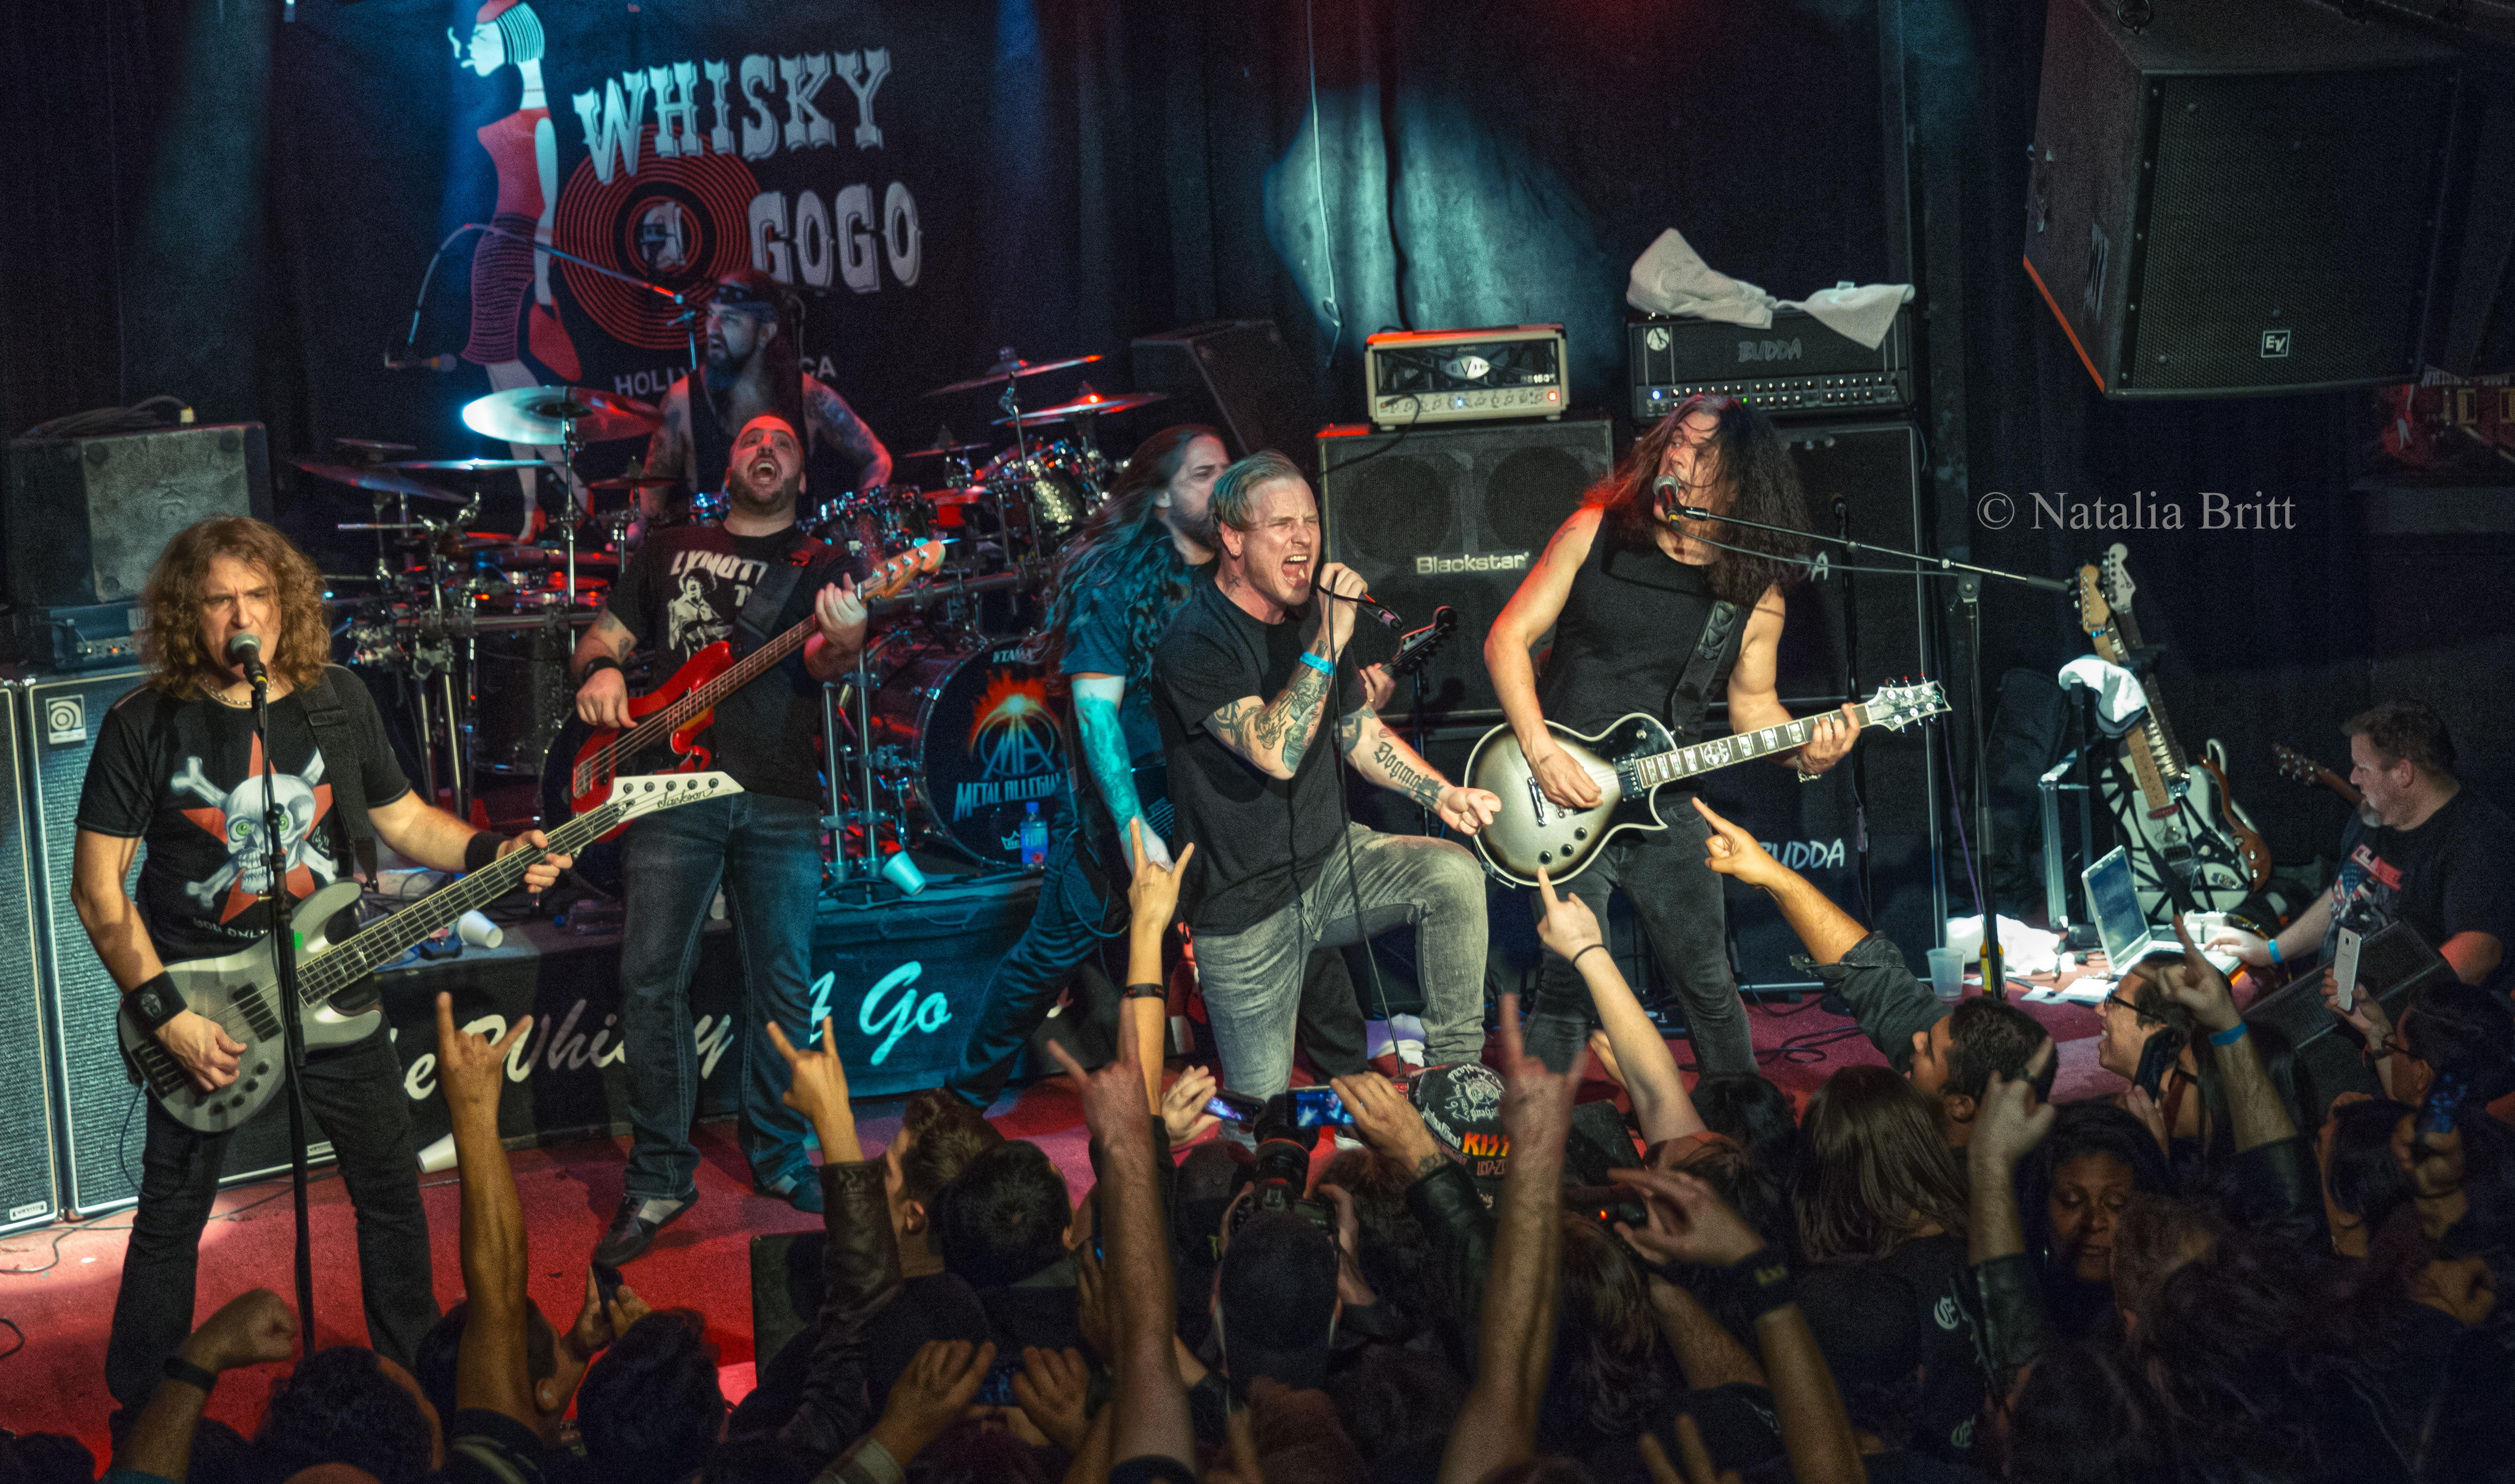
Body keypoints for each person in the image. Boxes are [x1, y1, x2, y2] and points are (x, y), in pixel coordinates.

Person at [71, 517, 571, 1419]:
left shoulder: (336, 699)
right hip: (206, 1005)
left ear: (286, 602)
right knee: (173, 1212)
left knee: (390, 1191)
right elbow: (97, 889)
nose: (242, 618)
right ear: (188, 612)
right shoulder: (144, 723)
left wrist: (493, 848)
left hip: (337, 985)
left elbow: (404, 819)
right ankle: (144, 1412)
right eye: (219, 600)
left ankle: (413, 1388)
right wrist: (166, 1016)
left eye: (257, 595)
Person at [943, 427, 1389, 1109]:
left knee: (1305, 931)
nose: (1223, 484)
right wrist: (1131, 828)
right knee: (1046, 958)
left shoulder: (1249, 578)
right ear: (1159, 496)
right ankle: (958, 1103)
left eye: (1227, 470)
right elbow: (1096, 715)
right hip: (1137, 804)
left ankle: (1353, 1098)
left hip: (1230, 805)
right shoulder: (1113, 580)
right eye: (1203, 474)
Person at [1484, 394, 1861, 1078]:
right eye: (1675, 440)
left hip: (1667, 799)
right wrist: (1540, 750)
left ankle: (1743, 1123)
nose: (1678, 457)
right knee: (1568, 985)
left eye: (1702, 450)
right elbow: (1508, 637)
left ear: (1741, 480)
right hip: (1560, 795)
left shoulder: (1753, 590)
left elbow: (1755, 709)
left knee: (1709, 985)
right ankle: (1538, 1138)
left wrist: (1807, 752)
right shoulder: (1593, 532)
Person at [573, 412, 870, 1256]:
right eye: (751, 441)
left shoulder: (824, 564)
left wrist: (847, 634)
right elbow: (602, 637)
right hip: (671, 784)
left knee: (783, 983)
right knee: (650, 977)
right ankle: (659, 1176)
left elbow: (823, 662)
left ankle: (778, 1153)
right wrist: (601, 668)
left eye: (784, 443)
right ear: (728, 467)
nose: (766, 449)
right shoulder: (671, 547)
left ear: (802, 476)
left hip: (778, 790)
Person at [1149, 450, 1499, 1103]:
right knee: (1259, 1112)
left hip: (1329, 863)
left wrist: (1442, 792)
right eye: (1281, 524)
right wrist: (1331, 637)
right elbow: (1275, 751)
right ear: (1232, 538)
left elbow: (1358, 733)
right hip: (1242, 906)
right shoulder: (1194, 640)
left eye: (1310, 520)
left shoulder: (1312, 621)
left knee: (1452, 874)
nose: (1304, 538)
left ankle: (1454, 1083)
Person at [1692, 795, 2054, 1144]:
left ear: (1961, 1106)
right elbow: (1873, 974)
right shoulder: (1951, 1066)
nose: (1917, 1037)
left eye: (1928, 1050)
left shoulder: (1919, 1175)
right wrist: (1772, 875)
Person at [2211, 700, 2514, 991]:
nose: (2353, 778)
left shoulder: (2478, 839)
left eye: (2362, 768)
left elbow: (2478, 955)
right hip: (2338, 994)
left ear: (2404, 773)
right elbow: (2344, 894)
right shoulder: (2375, 813)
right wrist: (2271, 950)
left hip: (2397, 1017)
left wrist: (2384, 1011)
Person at [450, 0, 581, 531]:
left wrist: (544, 289)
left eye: (481, 39)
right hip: (493, 254)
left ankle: (572, 490)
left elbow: (548, 213)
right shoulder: (515, 114)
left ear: (512, 44)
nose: (470, 48)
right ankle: (538, 506)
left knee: (515, 396)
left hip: (513, 255)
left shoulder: (540, 125)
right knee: (505, 398)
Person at [637, 270, 892, 528]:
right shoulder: (681, 401)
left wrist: (864, 518)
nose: (713, 329)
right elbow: (648, 504)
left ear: (765, 332)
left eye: (730, 320)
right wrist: (638, 528)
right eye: (711, 315)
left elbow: (877, 458)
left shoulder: (807, 395)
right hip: (715, 550)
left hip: (794, 550)